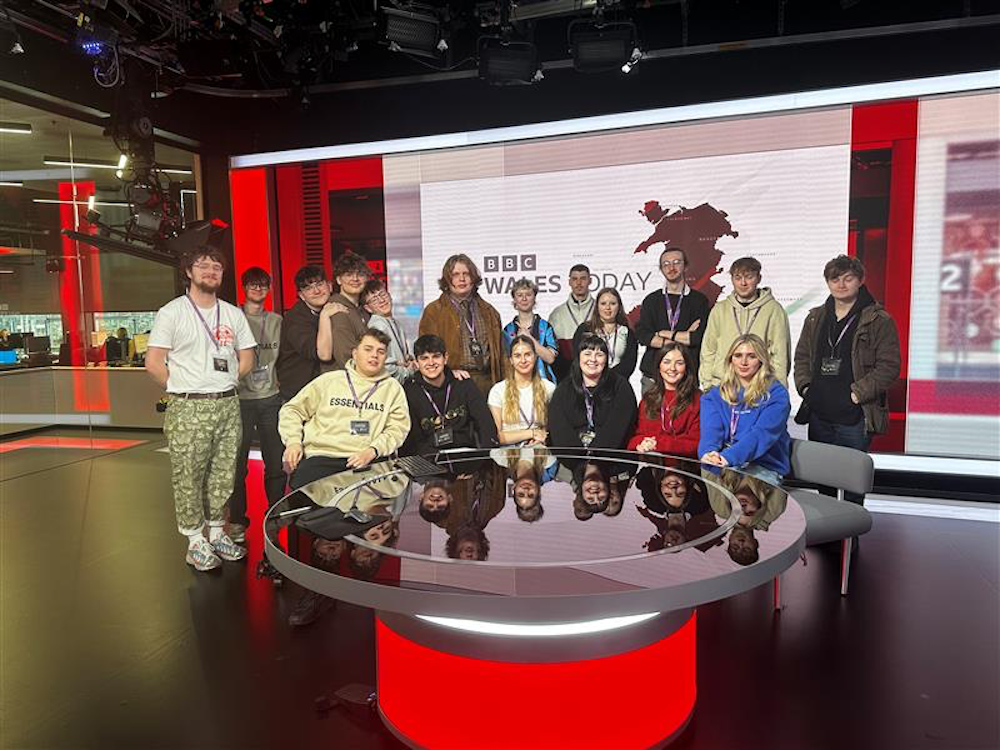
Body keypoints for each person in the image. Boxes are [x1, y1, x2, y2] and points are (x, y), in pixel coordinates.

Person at [145, 247, 256, 572]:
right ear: (188, 272)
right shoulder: (173, 312)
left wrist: (226, 379)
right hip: (188, 407)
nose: (210, 271)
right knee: (188, 476)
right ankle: (195, 541)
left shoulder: (232, 313)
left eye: (217, 266)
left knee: (223, 473)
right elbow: (153, 364)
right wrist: (184, 388)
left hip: (227, 404)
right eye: (203, 265)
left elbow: (247, 355)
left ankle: (218, 532)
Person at [793, 254, 901, 504]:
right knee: (824, 481)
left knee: (853, 485)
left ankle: (850, 541)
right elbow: (802, 357)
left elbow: (889, 366)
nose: (841, 284)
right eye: (834, 279)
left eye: (848, 278)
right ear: (828, 282)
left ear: (860, 280)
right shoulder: (815, 317)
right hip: (820, 412)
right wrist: (806, 388)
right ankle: (829, 538)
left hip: (856, 414)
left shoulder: (878, 319)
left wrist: (857, 394)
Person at [279, 328, 410, 489]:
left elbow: (398, 428)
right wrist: (293, 442)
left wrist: (373, 450)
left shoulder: (392, 388)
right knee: (305, 498)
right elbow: (292, 410)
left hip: (368, 459)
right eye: (368, 349)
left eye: (381, 352)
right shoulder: (330, 380)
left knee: (378, 502)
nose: (374, 355)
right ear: (355, 353)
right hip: (323, 457)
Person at [227, 267, 284, 549]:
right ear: (244, 288)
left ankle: (273, 518)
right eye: (253, 285)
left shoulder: (277, 321)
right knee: (237, 465)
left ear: (269, 288)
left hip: (271, 398)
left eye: (263, 285)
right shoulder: (231, 318)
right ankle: (237, 519)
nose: (258, 289)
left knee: (275, 463)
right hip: (239, 400)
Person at [699, 333, 790, 484]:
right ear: (730, 360)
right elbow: (711, 430)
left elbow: (761, 435)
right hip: (724, 464)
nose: (744, 362)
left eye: (751, 356)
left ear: (761, 360)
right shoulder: (715, 395)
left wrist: (728, 457)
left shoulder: (776, 394)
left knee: (746, 504)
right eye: (738, 355)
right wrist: (709, 453)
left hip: (762, 466)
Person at [699, 256, 791, 392]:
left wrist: (777, 390)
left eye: (749, 277)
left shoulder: (773, 310)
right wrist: (708, 384)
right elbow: (708, 350)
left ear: (758, 278)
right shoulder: (720, 309)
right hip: (722, 385)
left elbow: (780, 353)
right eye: (737, 278)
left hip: (759, 387)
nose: (743, 283)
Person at [419, 254, 504, 397]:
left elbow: (501, 354)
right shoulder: (434, 311)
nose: (462, 279)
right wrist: (447, 373)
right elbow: (426, 353)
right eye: (455, 275)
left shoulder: (490, 312)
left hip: (488, 382)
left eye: (466, 274)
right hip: (452, 383)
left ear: (474, 278)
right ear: (447, 280)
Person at [400, 334, 497, 456]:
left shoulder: (464, 384)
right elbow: (412, 443)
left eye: (436, 356)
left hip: (467, 459)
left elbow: (486, 426)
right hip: (430, 463)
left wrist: (481, 462)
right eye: (424, 358)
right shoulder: (410, 392)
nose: (431, 363)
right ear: (416, 363)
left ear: (445, 358)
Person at [636, 247, 711, 390]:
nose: (671, 267)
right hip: (653, 376)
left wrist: (662, 334)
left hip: (686, 375)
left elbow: (698, 337)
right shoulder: (651, 300)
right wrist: (682, 338)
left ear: (685, 266)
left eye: (676, 262)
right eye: (666, 264)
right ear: (661, 269)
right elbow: (643, 335)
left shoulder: (699, 301)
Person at [548, 332, 637, 450]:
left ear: (606, 359)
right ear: (578, 357)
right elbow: (559, 428)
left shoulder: (620, 386)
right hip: (572, 459)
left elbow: (619, 428)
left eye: (599, 354)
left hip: (611, 458)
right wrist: (578, 462)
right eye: (587, 354)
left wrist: (596, 461)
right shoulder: (564, 388)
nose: (593, 359)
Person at [627, 343, 701, 458]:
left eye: (679, 363)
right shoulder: (648, 398)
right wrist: (640, 444)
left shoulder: (698, 399)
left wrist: (659, 444)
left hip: (684, 467)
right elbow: (637, 436)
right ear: (659, 367)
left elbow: (695, 444)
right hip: (653, 464)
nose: (672, 368)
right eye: (666, 362)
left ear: (686, 368)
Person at [275, 265, 334, 401]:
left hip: (321, 390)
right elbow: (319, 353)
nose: (317, 291)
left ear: (329, 286)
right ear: (301, 296)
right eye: (308, 288)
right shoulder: (295, 319)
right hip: (298, 395)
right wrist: (325, 316)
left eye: (320, 284)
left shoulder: (333, 306)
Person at [488, 334, 557, 446]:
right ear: (511, 360)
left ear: (535, 357)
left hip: (539, 449)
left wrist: (541, 438)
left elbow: (553, 429)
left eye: (527, 355)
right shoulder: (498, 391)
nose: (523, 360)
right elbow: (497, 436)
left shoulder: (549, 388)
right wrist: (532, 433)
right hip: (508, 453)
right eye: (517, 356)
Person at [571, 287, 639, 381]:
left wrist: (608, 378)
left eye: (613, 304)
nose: (608, 308)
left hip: (617, 384)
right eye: (603, 303)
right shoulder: (584, 330)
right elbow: (577, 357)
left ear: (619, 306)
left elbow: (629, 363)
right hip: (589, 382)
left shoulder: (627, 332)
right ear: (597, 306)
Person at [321, 251, 372, 372]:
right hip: (345, 382)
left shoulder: (361, 309)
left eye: (360, 274)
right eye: (349, 275)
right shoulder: (337, 309)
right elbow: (345, 357)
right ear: (338, 280)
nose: (355, 279)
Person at [501, 278, 558, 382]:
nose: (524, 299)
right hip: (517, 384)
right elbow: (506, 362)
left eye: (528, 294)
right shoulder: (508, 330)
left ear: (534, 298)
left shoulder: (545, 327)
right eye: (519, 295)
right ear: (514, 300)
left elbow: (550, 358)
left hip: (544, 381)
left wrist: (529, 338)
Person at [360, 278, 415, 383]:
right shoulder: (377, 326)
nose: (382, 300)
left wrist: (407, 360)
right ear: (368, 308)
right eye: (374, 299)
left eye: (383, 294)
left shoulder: (394, 322)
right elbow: (383, 365)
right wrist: (408, 371)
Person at [548, 264, 596, 381]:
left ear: (590, 281)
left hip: (596, 373)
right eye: (575, 279)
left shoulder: (600, 310)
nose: (579, 283)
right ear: (569, 282)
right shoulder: (557, 314)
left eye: (583, 278)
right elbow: (552, 350)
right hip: (566, 376)